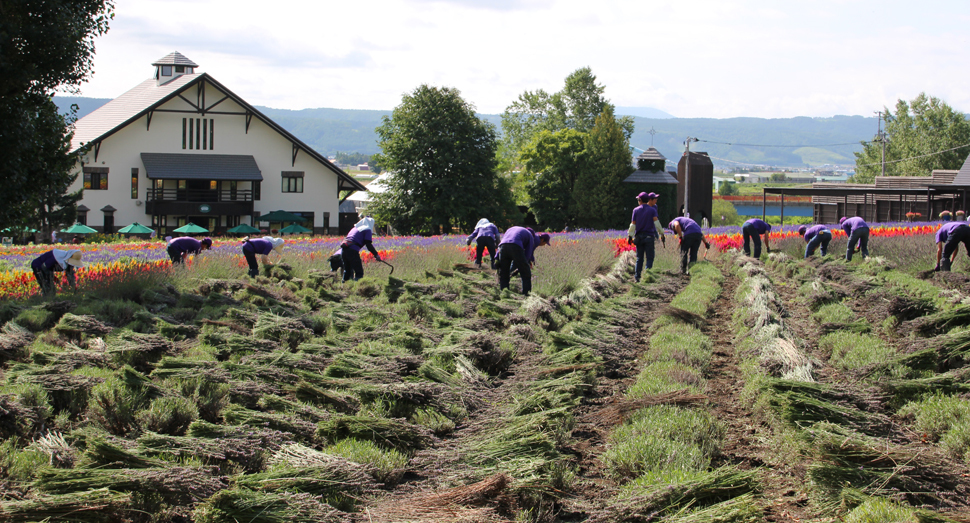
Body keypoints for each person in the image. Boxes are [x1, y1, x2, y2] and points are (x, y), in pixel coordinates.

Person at [497, 226, 550, 295]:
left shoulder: (511, 229)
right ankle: (526, 295)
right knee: (526, 273)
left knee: (504, 273)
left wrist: (496, 258)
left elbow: (501, 244)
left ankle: (504, 293)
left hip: (503, 247)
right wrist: (524, 266)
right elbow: (528, 254)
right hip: (515, 246)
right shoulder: (530, 236)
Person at [628, 192, 665, 282]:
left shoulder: (635, 210)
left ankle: (637, 277)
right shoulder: (652, 210)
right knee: (650, 258)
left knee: (639, 258)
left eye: (638, 200)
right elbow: (657, 223)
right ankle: (647, 275)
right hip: (649, 237)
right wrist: (662, 234)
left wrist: (630, 236)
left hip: (639, 237)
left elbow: (633, 225)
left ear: (640, 200)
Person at [341, 217, 381, 282]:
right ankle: (357, 288)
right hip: (352, 251)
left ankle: (343, 287)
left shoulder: (354, 228)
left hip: (344, 250)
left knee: (347, 271)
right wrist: (376, 255)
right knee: (359, 273)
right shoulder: (367, 229)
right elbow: (368, 244)